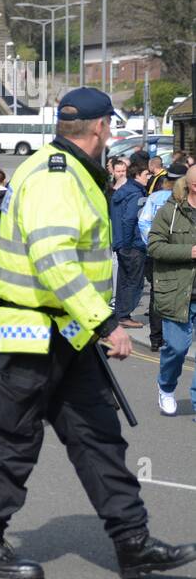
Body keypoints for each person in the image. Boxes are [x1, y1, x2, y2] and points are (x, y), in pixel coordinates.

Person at [0, 87, 196, 579]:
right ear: (101, 129)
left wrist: (89, 324)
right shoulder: (56, 176)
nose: (111, 135)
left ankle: (132, 544)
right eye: (111, 127)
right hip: (33, 332)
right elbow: (54, 260)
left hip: (65, 332)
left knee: (98, 439)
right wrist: (106, 322)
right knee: (11, 439)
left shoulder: (68, 170)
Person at [147, 166, 196, 415]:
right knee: (176, 348)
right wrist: (189, 252)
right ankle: (166, 387)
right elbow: (154, 246)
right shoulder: (171, 211)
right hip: (178, 293)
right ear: (192, 186)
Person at [139, 161, 185, 352]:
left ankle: (156, 338)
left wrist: (154, 245)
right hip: (180, 254)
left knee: (157, 294)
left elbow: (143, 223)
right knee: (180, 293)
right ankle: (173, 337)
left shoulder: (155, 197)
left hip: (155, 254)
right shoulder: (185, 200)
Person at [111, 160, 148, 329]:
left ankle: (120, 313)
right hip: (132, 245)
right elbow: (129, 219)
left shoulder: (123, 190)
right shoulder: (136, 193)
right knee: (135, 282)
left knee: (124, 281)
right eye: (146, 174)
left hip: (121, 243)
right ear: (137, 175)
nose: (148, 177)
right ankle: (124, 316)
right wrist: (127, 244)